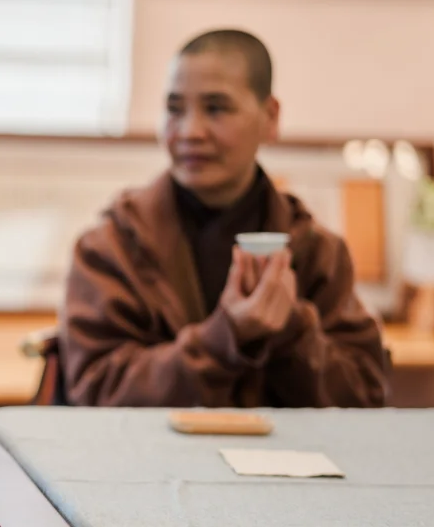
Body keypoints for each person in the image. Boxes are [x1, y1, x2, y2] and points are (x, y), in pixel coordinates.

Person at [59, 29, 388, 408]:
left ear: (270, 117)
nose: (190, 132)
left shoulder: (316, 251)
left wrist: (291, 329)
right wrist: (224, 336)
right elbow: (96, 393)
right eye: (174, 109)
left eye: (216, 108)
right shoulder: (112, 247)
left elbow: (366, 396)